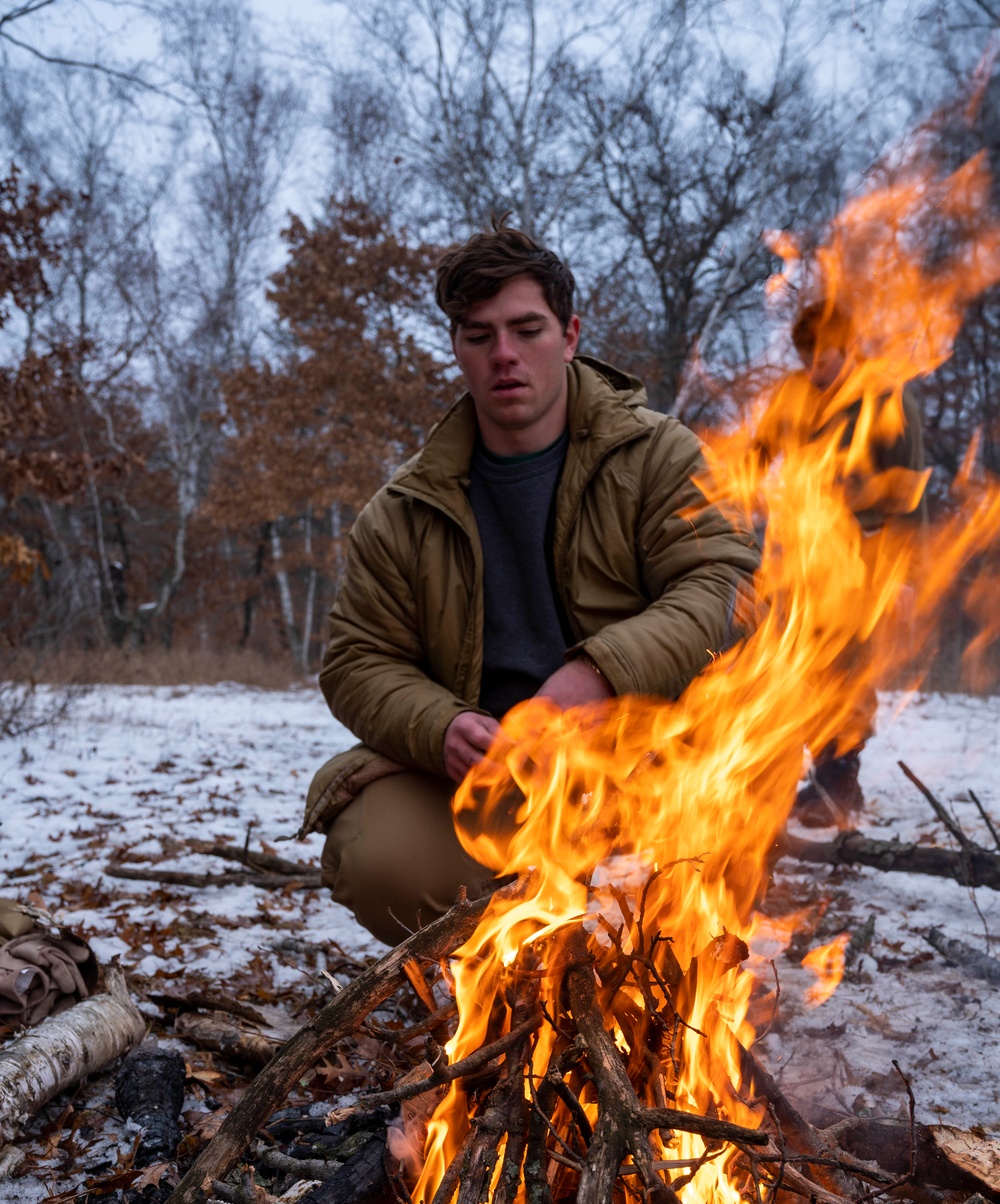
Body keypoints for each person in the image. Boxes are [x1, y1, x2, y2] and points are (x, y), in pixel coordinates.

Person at [301, 222, 761, 944]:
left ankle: (661, 940)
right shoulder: (403, 510)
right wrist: (442, 727)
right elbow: (357, 661)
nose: (505, 355)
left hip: (649, 767)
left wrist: (602, 674)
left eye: (527, 328)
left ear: (571, 334)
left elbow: (724, 587)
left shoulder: (660, 458)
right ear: (456, 347)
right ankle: (510, 955)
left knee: (717, 818)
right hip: (490, 787)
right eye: (479, 335)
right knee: (377, 851)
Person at [754, 298, 926, 828]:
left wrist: (904, 579)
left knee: (845, 669)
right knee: (784, 664)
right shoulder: (792, 391)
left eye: (823, 356)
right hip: (796, 550)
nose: (814, 368)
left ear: (846, 348)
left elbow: (909, 495)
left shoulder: (886, 396)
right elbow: (757, 450)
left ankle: (838, 784)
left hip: (863, 555)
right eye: (806, 356)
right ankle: (779, 777)